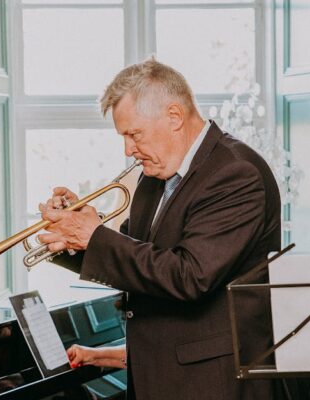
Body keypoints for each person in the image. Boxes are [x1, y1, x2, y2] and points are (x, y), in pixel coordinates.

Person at [38, 58, 286, 400]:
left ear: (174, 116)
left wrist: (95, 236)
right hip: (159, 375)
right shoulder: (154, 175)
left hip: (212, 384)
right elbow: (137, 262)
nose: (128, 150)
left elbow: (190, 275)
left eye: (134, 134)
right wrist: (74, 238)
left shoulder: (235, 173)